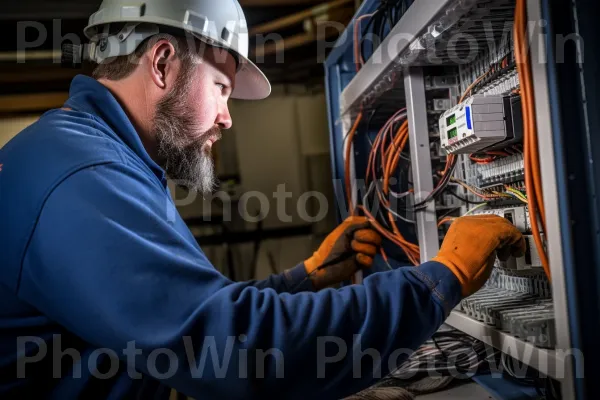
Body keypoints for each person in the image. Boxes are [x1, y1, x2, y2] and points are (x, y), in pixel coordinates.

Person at [0, 0, 525, 398]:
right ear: (162, 64)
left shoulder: (86, 154)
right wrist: (440, 279)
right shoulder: (82, 175)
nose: (227, 117)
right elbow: (235, 350)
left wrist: (302, 281)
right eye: (222, 88)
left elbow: (185, 318)